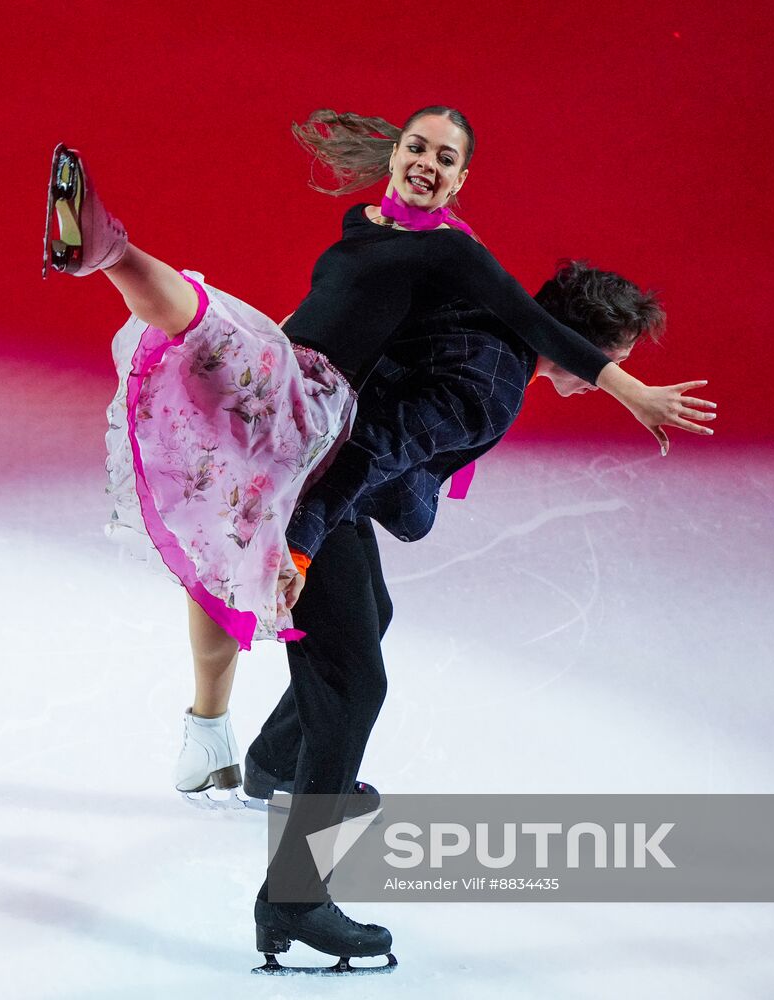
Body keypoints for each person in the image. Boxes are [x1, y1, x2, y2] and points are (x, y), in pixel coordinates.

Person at [42, 106, 714, 797]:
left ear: (459, 181)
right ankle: (109, 250)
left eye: (444, 158)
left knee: (292, 579)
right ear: (396, 156)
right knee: (347, 675)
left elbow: (520, 318)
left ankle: (239, 748)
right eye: (417, 148)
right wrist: (632, 392)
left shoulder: (443, 258)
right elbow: (385, 438)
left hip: (299, 402)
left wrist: (623, 385)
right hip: (306, 420)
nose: (428, 163)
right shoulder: (435, 299)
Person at [245, 259, 699, 969]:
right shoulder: (488, 383)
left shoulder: (489, 317)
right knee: (353, 684)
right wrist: (296, 550)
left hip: (315, 471)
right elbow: (369, 452)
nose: (602, 378)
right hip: (310, 487)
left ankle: (274, 763)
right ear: (576, 340)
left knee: (373, 616)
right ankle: (294, 901)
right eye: (608, 363)